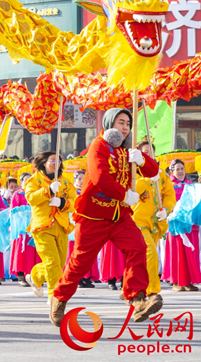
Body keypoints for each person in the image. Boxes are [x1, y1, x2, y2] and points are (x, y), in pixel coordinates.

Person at [50, 108, 161, 326]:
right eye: (121, 122)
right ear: (110, 123)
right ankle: (59, 297)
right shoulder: (98, 146)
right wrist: (124, 194)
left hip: (119, 217)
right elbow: (100, 176)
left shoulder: (127, 151)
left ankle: (136, 297)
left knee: (138, 247)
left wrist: (142, 160)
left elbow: (153, 171)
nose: (126, 127)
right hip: (93, 215)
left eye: (128, 123)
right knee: (80, 263)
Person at [24, 151, 76, 300]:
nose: (56, 163)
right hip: (43, 226)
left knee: (58, 265)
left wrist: (62, 203)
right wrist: (48, 190)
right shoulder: (34, 180)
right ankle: (55, 297)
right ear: (44, 163)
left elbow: (76, 202)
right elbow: (31, 199)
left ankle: (36, 276)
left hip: (62, 226)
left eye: (58, 161)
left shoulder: (66, 182)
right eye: (52, 160)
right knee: (52, 263)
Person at [133, 141, 176, 299]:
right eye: (144, 152)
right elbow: (132, 190)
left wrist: (166, 209)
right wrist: (148, 179)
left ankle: (133, 288)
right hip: (138, 221)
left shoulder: (162, 174)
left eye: (150, 151)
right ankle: (152, 290)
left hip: (156, 222)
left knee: (140, 257)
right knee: (150, 252)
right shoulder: (134, 172)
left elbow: (170, 195)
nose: (148, 155)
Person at [163, 159, 200, 291]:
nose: (180, 172)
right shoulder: (169, 185)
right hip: (176, 224)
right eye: (177, 169)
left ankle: (189, 281)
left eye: (182, 169)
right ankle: (177, 281)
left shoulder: (192, 185)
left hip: (190, 224)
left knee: (191, 252)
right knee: (177, 252)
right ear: (171, 171)